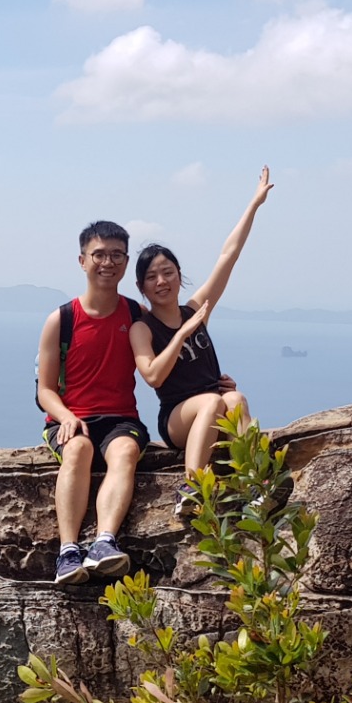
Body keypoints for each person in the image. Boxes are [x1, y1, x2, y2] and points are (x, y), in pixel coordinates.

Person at [128, 166, 274, 513]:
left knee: (235, 397)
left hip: (215, 405)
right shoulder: (143, 328)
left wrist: (254, 204)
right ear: (142, 288)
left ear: (179, 276)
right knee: (211, 401)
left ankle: (259, 484)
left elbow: (228, 256)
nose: (161, 281)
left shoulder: (195, 310)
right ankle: (192, 489)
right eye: (152, 277)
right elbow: (152, 377)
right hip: (178, 418)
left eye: (168, 272)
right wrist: (181, 334)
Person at [35, 221, 151, 584]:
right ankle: (68, 552)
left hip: (120, 419)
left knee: (125, 453)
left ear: (126, 261)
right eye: (99, 254)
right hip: (71, 419)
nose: (107, 262)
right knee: (78, 450)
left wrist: (214, 382)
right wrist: (67, 417)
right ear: (82, 260)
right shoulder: (62, 319)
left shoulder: (136, 316)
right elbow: (45, 390)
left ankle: (104, 542)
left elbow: (164, 367)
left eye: (116, 255)